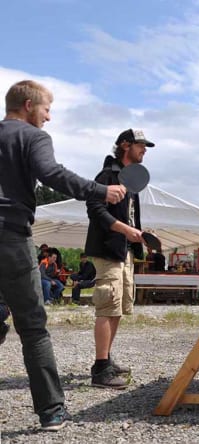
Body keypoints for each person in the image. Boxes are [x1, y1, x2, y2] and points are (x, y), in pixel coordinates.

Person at [0, 79, 126, 431]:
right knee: (33, 329)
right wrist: (100, 190)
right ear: (28, 106)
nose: (49, 118)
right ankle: (52, 412)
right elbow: (51, 173)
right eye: (46, 109)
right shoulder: (32, 137)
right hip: (10, 237)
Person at [85, 128, 155, 389]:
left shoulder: (132, 182)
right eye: (140, 145)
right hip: (107, 250)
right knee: (107, 304)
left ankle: (107, 359)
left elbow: (129, 218)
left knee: (118, 308)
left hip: (123, 250)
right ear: (125, 145)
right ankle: (100, 369)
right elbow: (95, 210)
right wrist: (126, 230)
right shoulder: (106, 176)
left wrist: (138, 237)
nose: (144, 149)